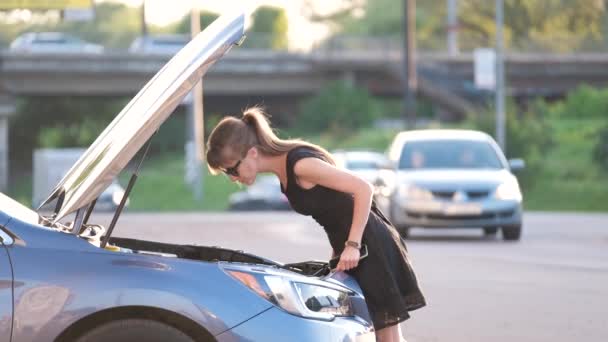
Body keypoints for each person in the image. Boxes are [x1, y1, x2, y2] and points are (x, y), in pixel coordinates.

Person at [206, 107, 426, 342]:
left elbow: (363, 189)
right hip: (355, 248)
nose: (232, 177)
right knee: (379, 334)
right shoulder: (285, 173)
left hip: (370, 246)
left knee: (387, 336)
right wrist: (338, 254)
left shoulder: (300, 165)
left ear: (251, 153)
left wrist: (352, 244)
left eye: (231, 168)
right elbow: (335, 212)